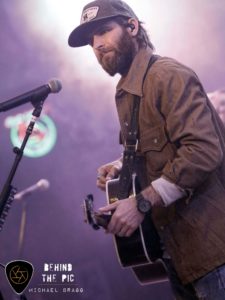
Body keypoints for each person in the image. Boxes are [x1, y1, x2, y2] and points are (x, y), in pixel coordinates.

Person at [68, 0, 225, 299]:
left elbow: (202, 151)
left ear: (132, 27)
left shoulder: (166, 75)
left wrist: (140, 203)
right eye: (92, 41)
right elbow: (162, 146)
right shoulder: (128, 90)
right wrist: (122, 167)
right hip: (179, 256)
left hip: (214, 251)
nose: (98, 45)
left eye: (104, 31)